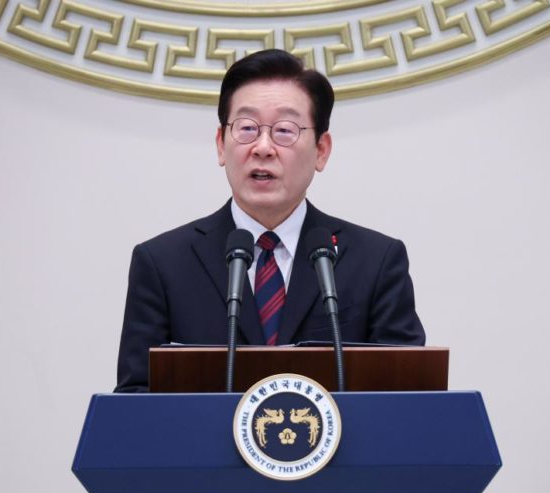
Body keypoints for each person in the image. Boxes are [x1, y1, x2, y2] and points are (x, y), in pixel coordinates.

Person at [115, 49, 425, 393]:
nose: (263, 147)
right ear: (221, 145)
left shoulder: (376, 261)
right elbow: (135, 401)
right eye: (247, 128)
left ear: (321, 150)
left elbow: (407, 396)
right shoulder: (162, 264)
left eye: (284, 130)